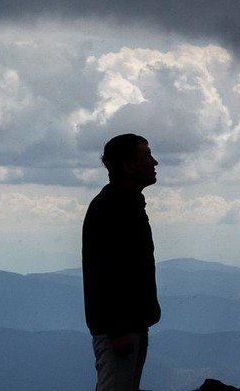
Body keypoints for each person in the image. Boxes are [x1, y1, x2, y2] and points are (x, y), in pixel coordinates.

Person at [82, 133, 162, 391]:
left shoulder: (125, 204)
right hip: (121, 329)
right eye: (147, 155)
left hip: (130, 325)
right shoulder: (112, 207)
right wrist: (117, 330)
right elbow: (104, 272)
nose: (155, 162)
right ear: (128, 166)